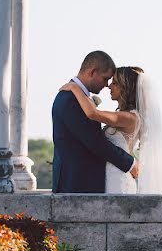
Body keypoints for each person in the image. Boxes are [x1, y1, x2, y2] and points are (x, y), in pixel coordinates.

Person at [60, 65, 162, 195]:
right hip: (111, 176)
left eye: (115, 83)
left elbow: (92, 113)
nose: (109, 86)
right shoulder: (127, 115)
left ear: (126, 88)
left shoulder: (129, 117)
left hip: (117, 179)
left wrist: (74, 88)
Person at [51, 51, 138, 193]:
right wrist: (130, 163)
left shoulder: (77, 96)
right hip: (76, 184)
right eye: (105, 79)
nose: (107, 85)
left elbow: (93, 120)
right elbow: (95, 142)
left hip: (89, 182)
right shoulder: (70, 99)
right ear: (92, 72)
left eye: (112, 82)